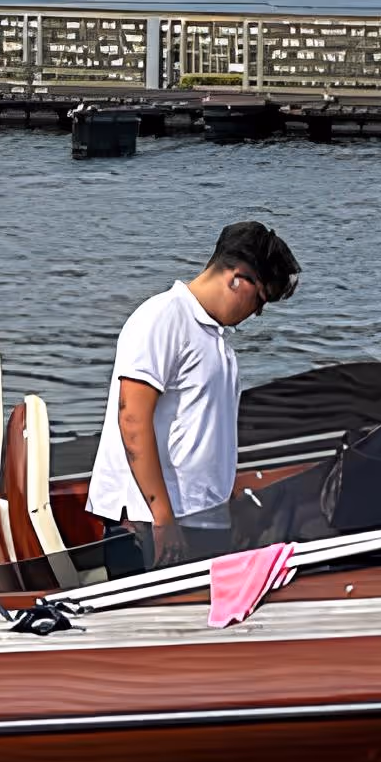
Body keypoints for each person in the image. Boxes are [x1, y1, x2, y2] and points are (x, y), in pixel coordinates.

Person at [87, 221, 299, 545]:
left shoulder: (214, 338)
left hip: (199, 515)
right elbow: (132, 417)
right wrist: (163, 520)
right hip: (154, 522)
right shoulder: (163, 317)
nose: (257, 314)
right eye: (260, 300)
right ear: (238, 279)